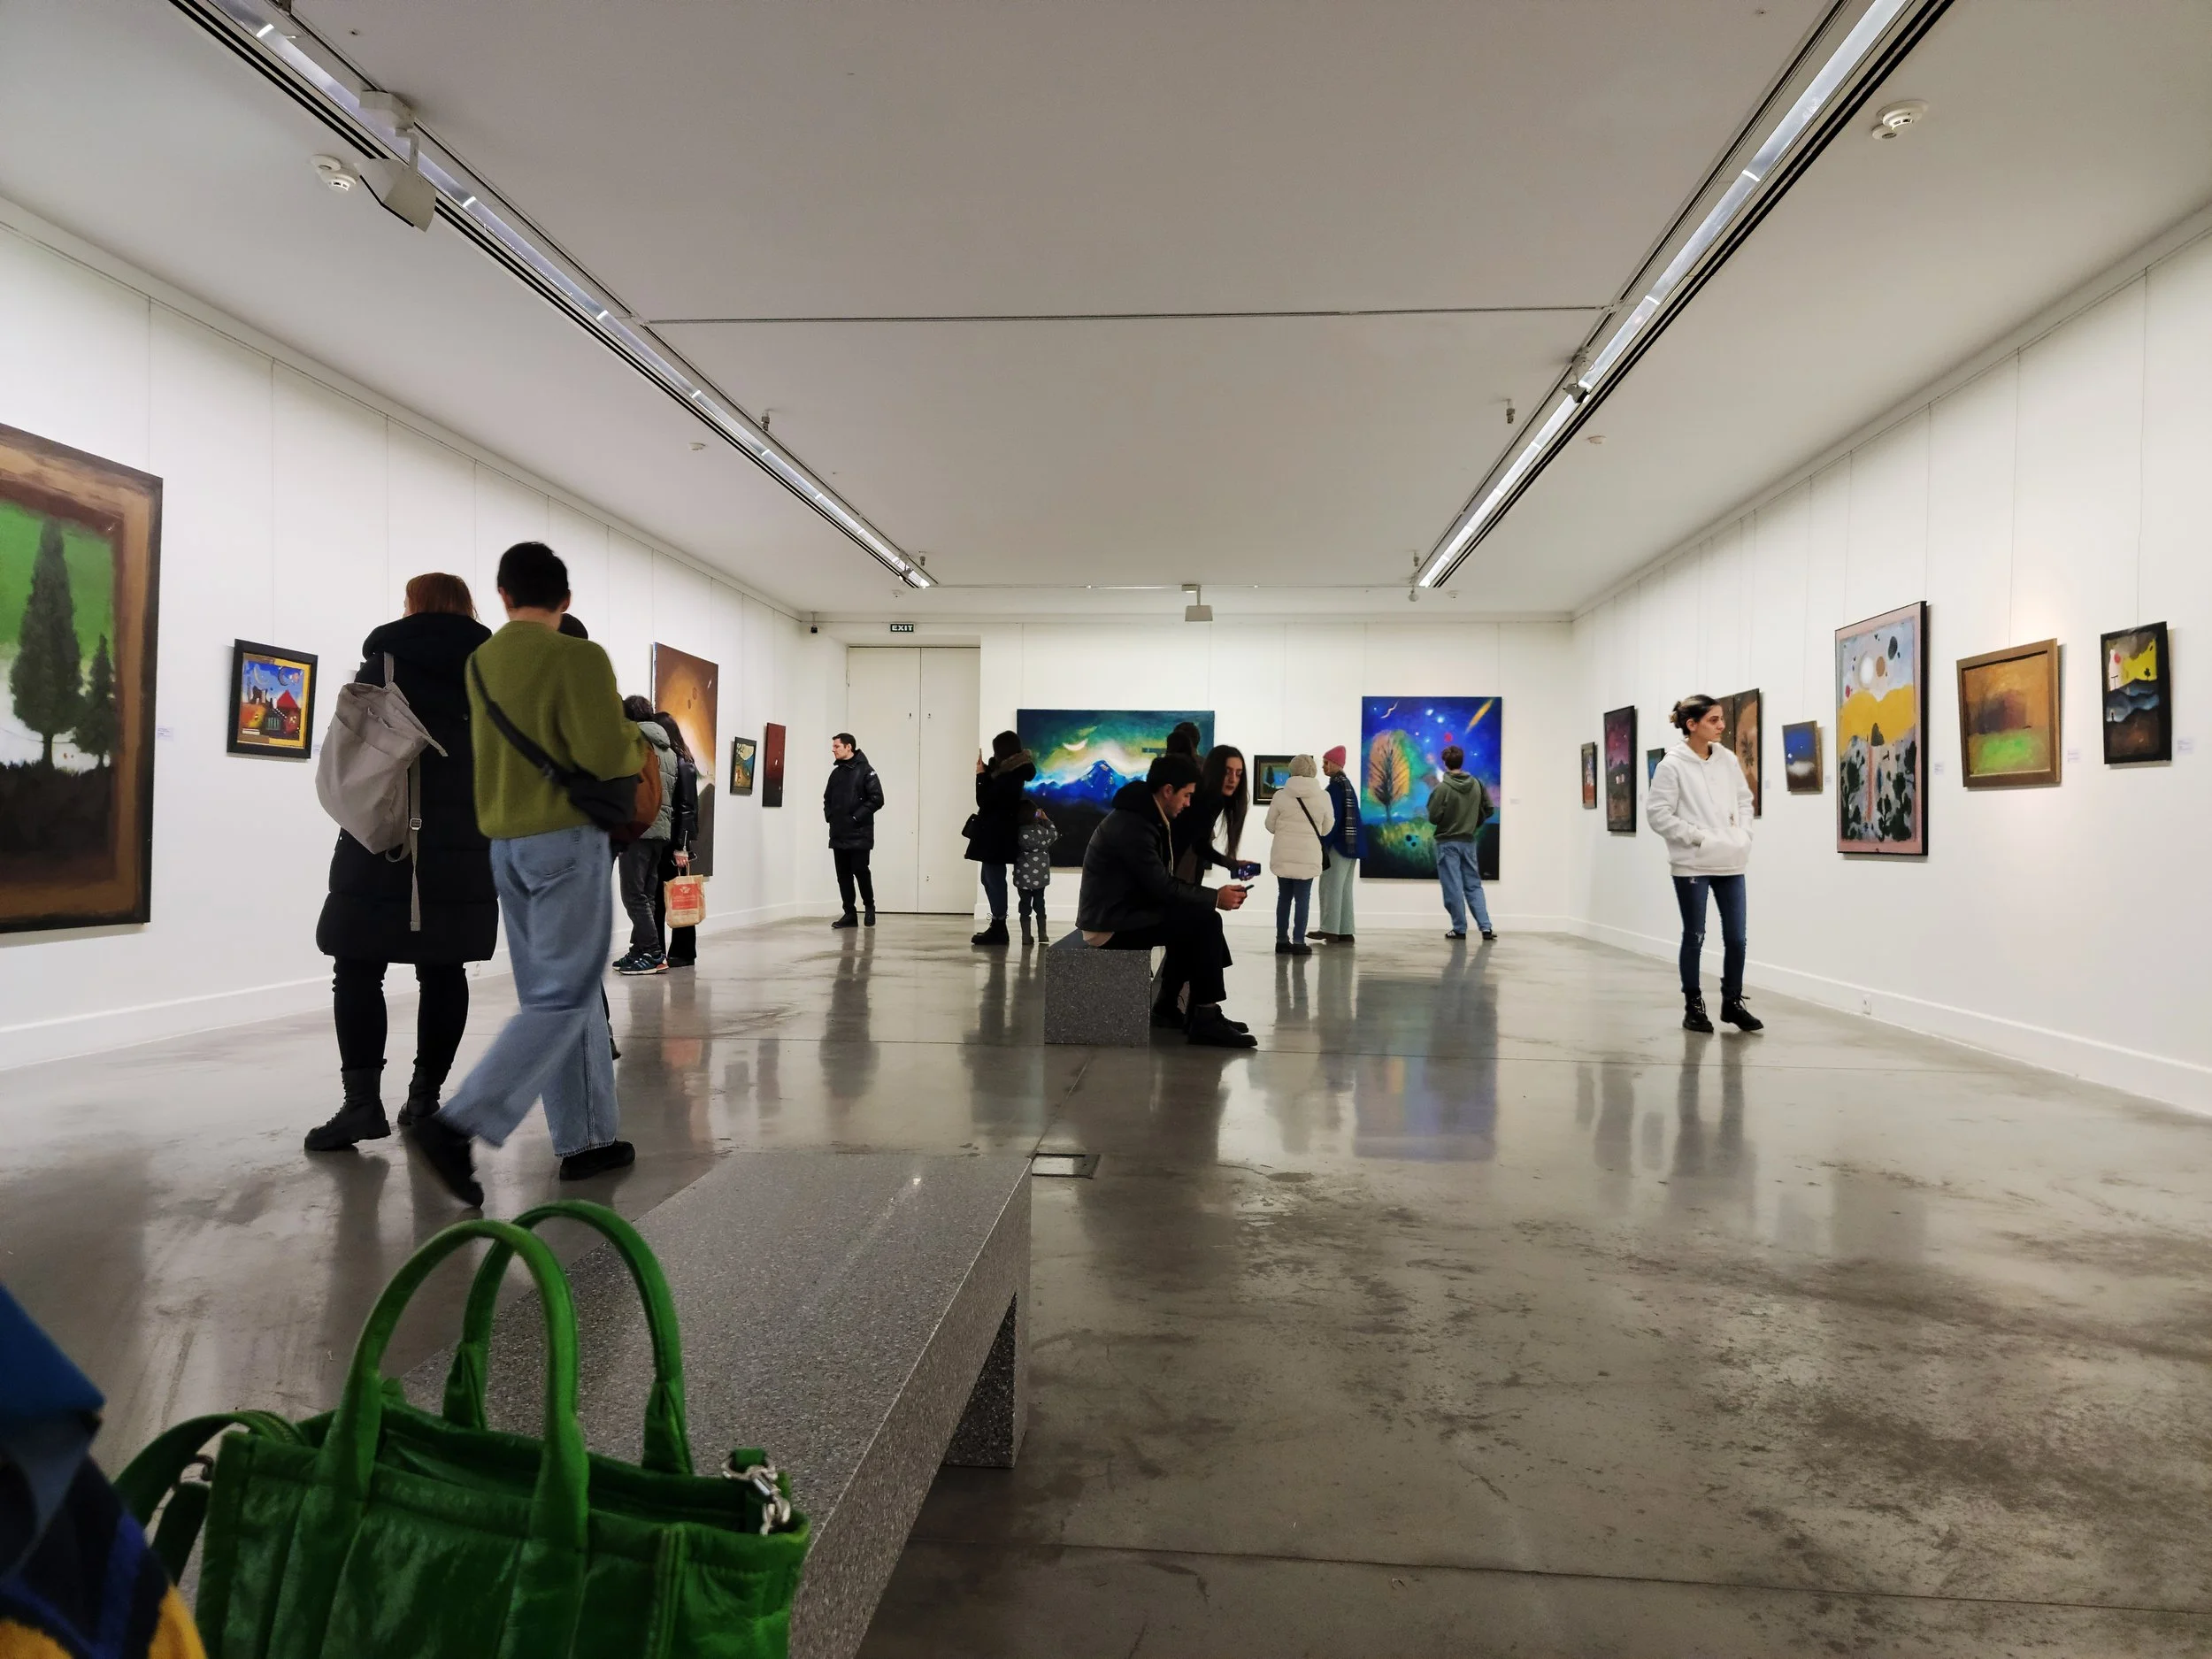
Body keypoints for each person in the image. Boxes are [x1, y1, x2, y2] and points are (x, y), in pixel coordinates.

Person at [408, 541, 649, 1205]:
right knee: (565, 996)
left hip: (505, 845)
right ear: (565, 599)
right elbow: (605, 752)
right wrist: (636, 740)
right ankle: (458, 1122)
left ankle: (585, 1138)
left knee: (548, 993)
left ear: (505, 597)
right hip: (564, 840)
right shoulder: (579, 655)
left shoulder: (483, 660)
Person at [305, 572, 495, 1151]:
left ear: (412, 605)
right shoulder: (492, 670)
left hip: (380, 837)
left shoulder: (385, 660)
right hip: (463, 841)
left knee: (357, 967)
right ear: (467, 608)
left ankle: (361, 1104)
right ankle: (425, 1098)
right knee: (444, 970)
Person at [1077, 753, 1256, 1048]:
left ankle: (1178, 1009)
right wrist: (1214, 897)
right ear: (1168, 790)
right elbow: (1161, 886)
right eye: (1186, 795)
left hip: (1121, 913)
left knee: (1196, 920)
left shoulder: (1142, 818)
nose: (1188, 803)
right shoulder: (1135, 825)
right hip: (1109, 924)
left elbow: (1157, 883)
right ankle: (1204, 1017)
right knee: (1205, 920)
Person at [1647, 694, 1765, 1034]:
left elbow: (1745, 800)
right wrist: (1697, 838)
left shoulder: (1726, 759)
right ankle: (1693, 1005)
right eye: (1714, 720)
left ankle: (1732, 1002)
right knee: (1695, 935)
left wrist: (1743, 834)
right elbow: (1658, 815)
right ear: (1692, 725)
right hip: (1692, 864)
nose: (1722, 726)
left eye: (1721, 719)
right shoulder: (1672, 765)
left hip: (1731, 860)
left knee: (1737, 939)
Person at [615, 695, 680, 974]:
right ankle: (639, 950)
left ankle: (653, 952)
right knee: (646, 895)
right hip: (661, 829)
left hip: (639, 828)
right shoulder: (668, 749)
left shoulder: (635, 743)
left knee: (633, 895)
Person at [965, 730, 1034, 946]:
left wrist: (980, 775)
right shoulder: (1008, 771)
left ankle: (998, 928)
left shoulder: (1010, 775)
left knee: (993, 879)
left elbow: (984, 801)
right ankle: (997, 925)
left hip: (997, 833)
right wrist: (988, 771)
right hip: (997, 832)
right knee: (989, 878)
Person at [1263, 754, 1333, 956]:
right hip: (1309, 855)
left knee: (1284, 897)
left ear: (1292, 771)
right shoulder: (1323, 797)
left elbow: (1270, 825)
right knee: (1303, 899)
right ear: (1313, 771)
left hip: (1283, 853)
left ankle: (1281, 940)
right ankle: (1299, 941)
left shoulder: (1280, 796)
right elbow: (1327, 829)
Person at [1427, 745, 1496, 942]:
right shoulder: (1477, 784)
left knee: (1453, 887)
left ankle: (1459, 928)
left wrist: (1447, 818)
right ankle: (1486, 928)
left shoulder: (1442, 788)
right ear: (1462, 761)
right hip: (1468, 841)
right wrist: (1475, 821)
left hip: (1447, 842)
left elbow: (1433, 816)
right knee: (1474, 885)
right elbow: (1489, 808)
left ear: (1445, 762)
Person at [651, 707, 700, 966]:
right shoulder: (676, 762)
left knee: (679, 897)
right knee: (661, 898)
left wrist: (681, 847)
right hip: (666, 839)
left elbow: (687, 808)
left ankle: (682, 951)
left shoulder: (683, 765)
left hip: (674, 842)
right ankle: (660, 950)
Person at [825, 732, 883, 928]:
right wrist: (830, 817)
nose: (833, 750)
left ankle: (869, 907)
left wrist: (856, 817)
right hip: (839, 833)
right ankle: (849, 913)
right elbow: (827, 799)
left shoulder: (866, 771)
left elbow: (877, 799)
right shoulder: (836, 773)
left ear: (848, 747)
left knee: (860, 871)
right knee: (843, 875)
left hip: (859, 834)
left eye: (837, 746)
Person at [1172, 744, 1247, 883]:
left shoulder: (1213, 799)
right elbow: (1197, 845)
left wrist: (1231, 864)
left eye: (1238, 773)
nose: (1233, 779)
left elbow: (1200, 845)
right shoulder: (1202, 800)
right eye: (1227, 772)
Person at [1313, 744, 1359, 942]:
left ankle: (1330, 930)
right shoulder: (1347, 785)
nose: (1323, 767)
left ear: (1335, 764)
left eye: (1326, 763)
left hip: (1338, 845)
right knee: (1344, 889)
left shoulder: (1334, 787)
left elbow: (1332, 820)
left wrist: (1322, 842)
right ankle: (1345, 930)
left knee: (1330, 885)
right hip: (1352, 844)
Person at [1013, 800, 1056, 945]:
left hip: (1023, 877)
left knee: (1024, 905)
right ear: (1035, 815)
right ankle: (1042, 934)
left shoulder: (1018, 833)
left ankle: (1026, 936)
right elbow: (1054, 834)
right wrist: (1046, 819)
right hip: (1040, 877)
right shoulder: (1042, 831)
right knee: (1040, 903)